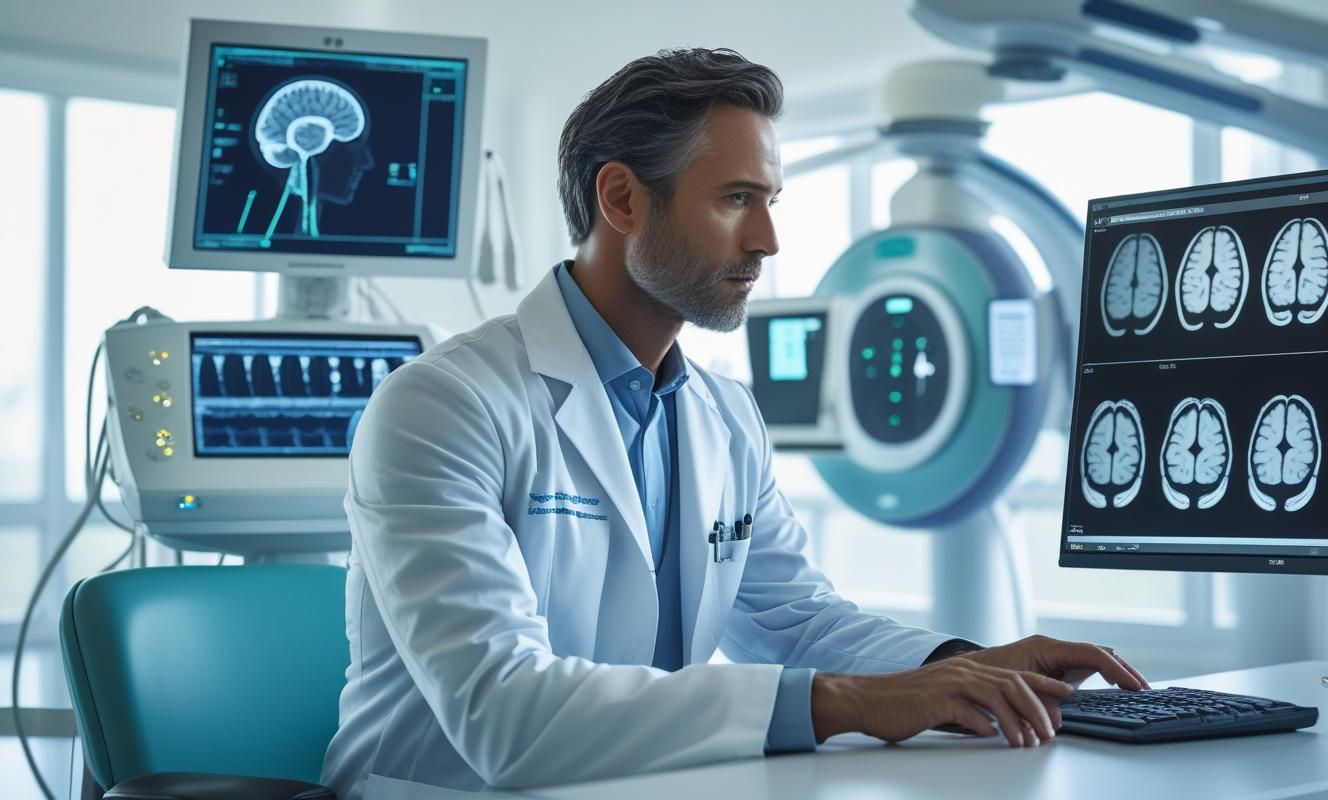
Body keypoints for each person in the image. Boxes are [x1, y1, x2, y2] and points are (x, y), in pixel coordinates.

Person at [321, 47, 1148, 799]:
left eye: (771, 200)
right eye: (736, 200)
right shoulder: (441, 407)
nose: (769, 239)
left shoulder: (723, 414)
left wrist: (958, 667)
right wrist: (848, 702)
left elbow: (795, 620)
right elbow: (501, 712)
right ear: (621, 198)